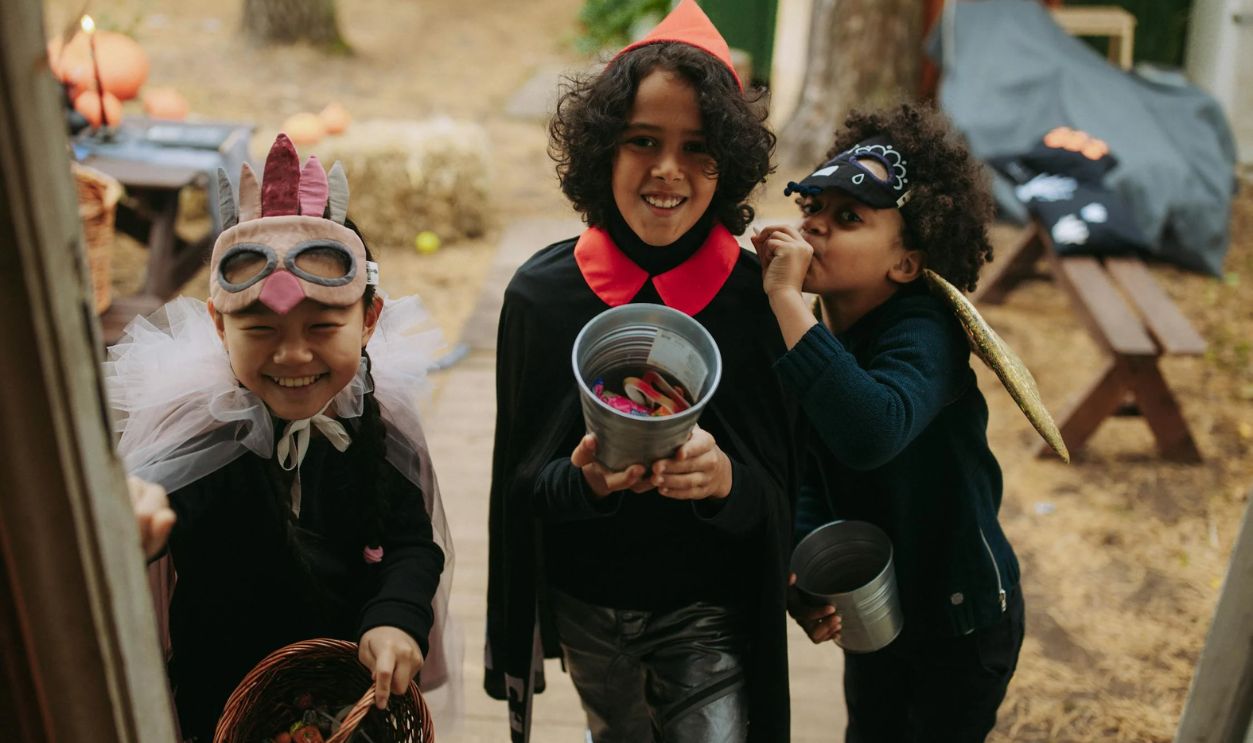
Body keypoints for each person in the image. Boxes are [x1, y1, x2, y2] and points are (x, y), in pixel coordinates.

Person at [484, 2, 798, 741]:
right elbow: (521, 490)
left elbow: (781, 493)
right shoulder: (541, 297)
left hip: (709, 610)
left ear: (729, 162)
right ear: (602, 150)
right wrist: (587, 480)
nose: (667, 170)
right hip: (587, 608)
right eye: (642, 141)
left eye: (698, 147)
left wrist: (725, 480)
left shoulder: (759, 304)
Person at [106, 134, 455, 741]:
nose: (293, 355)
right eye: (260, 328)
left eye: (322, 326)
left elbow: (410, 543)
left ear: (368, 320)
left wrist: (397, 618)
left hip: (349, 705)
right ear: (220, 325)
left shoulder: (374, 422)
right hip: (221, 709)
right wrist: (135, 518)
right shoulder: (202, 435)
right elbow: (152, 505)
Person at [752, 103, 1026, 742]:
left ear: (906, 263)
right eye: (812, 207)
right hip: (879, 612)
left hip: (962, 621)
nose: (814, 225)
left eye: (848, 217)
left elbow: (871, 431)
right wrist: (807, 562)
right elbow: (809, 463)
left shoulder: (924, 332)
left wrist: (786, 299)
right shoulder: (818, 338)